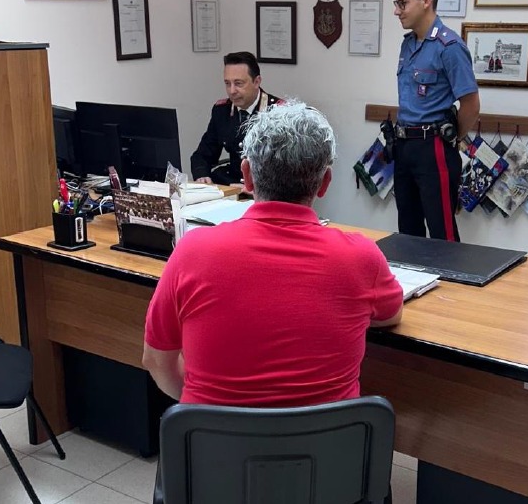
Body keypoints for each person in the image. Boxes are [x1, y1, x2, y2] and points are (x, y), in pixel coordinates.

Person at [143, 101, 403, 407]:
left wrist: (198, 413)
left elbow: (156, 361)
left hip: (210, 438)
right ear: (325, 183)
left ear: (247, 176)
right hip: (328, 440)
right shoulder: (362, 258)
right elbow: (391, 315)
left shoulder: (192, 251)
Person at [392, 0, 480, 241]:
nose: (397, 11)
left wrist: (451, 139)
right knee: (408, 232)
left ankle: (451, 272)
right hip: (403, 144)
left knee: (442, 233)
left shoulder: (449, 46)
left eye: (403, 3)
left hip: (433, 147)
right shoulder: (408, 44)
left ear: (426, 1)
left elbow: (471, 104)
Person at [190, 51, 282, 186]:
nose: (232, 91)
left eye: (238, 83)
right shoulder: (222, 111)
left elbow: (288, 169)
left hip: (266, 188)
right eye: (227, 83)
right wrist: (202, 175)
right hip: (231, 183)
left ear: (256, 82)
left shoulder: (278, 113)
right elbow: (203, 154)